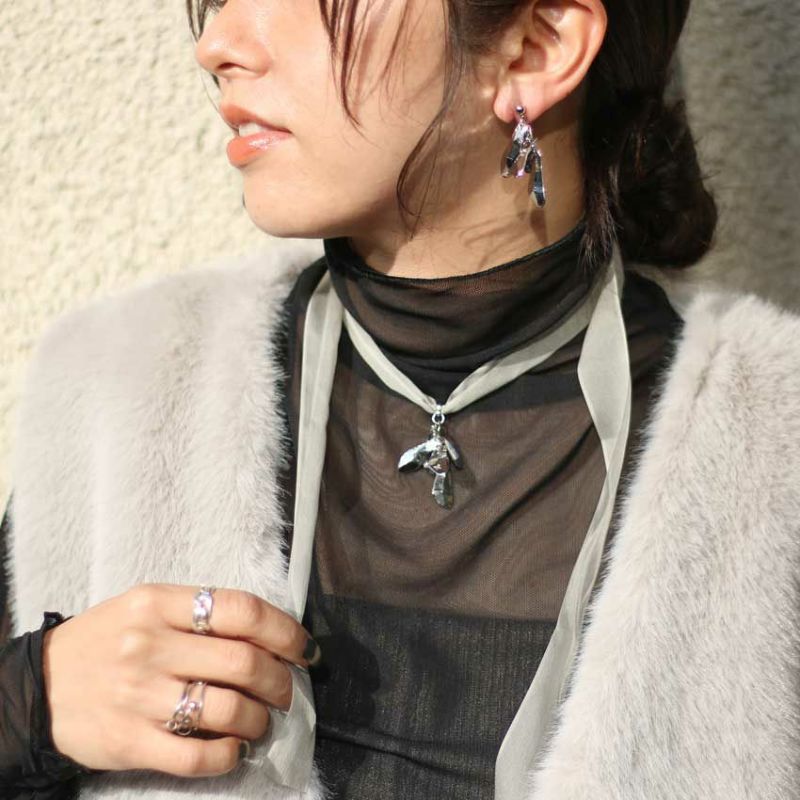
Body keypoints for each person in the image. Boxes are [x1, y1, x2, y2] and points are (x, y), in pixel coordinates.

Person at [1, 0, 798, 799]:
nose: (217, 45)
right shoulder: (122, 385)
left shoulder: (776, 444)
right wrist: (29, 705)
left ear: (536, 47)